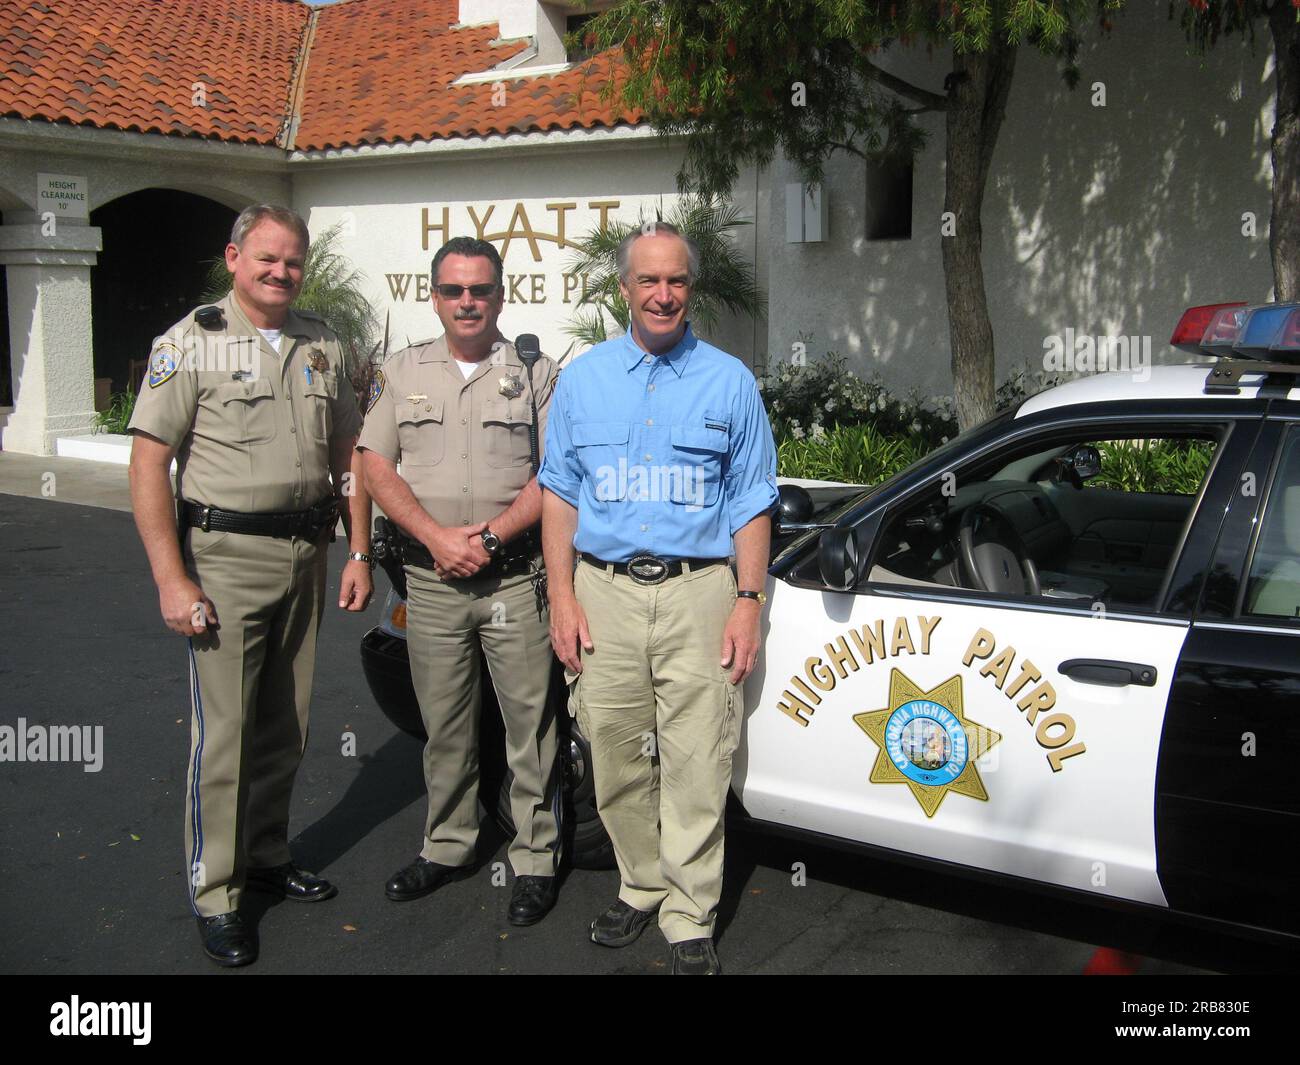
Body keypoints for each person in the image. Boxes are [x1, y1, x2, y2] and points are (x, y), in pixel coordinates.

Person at [127, 204, 373, 968]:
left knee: (286, 723)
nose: (281, 272)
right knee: (224, 734)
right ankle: (217, 891)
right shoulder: (191, 344)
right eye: (266, 258)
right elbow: (147, 465)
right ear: (234, 258)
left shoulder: (323, 343)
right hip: (225, 559)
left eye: (292, 261)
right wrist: (173, 579)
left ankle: (266, 852)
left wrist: (358, 547)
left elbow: (348, 453)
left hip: (306, 554)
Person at [538, 221, 778, 975]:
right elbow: (558, 496)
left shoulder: (730, 381)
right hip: (601, 591)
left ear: (690, 289)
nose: (664, 293)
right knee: (610, 750)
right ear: (624, 290)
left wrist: (748, 600)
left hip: (698, 592)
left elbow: (752, 499)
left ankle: (689, 909)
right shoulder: (582, 380)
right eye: (649, 280)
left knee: (698, 754)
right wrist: (561, 596)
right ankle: (640, 882)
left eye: (676, 280)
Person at [358, 236, 562, 926]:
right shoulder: (401, 370)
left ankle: (535, 855)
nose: (467, 301)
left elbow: (556, 474)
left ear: (500, 295)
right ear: (435, 295)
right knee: (444, 722)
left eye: (480, 289)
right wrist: (437, 538)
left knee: (530, 724)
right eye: (454, 290)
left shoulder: (536, 372)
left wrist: (492, 536)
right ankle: (449, 843)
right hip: (434, 581)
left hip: (513, 578)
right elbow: (374, 464)